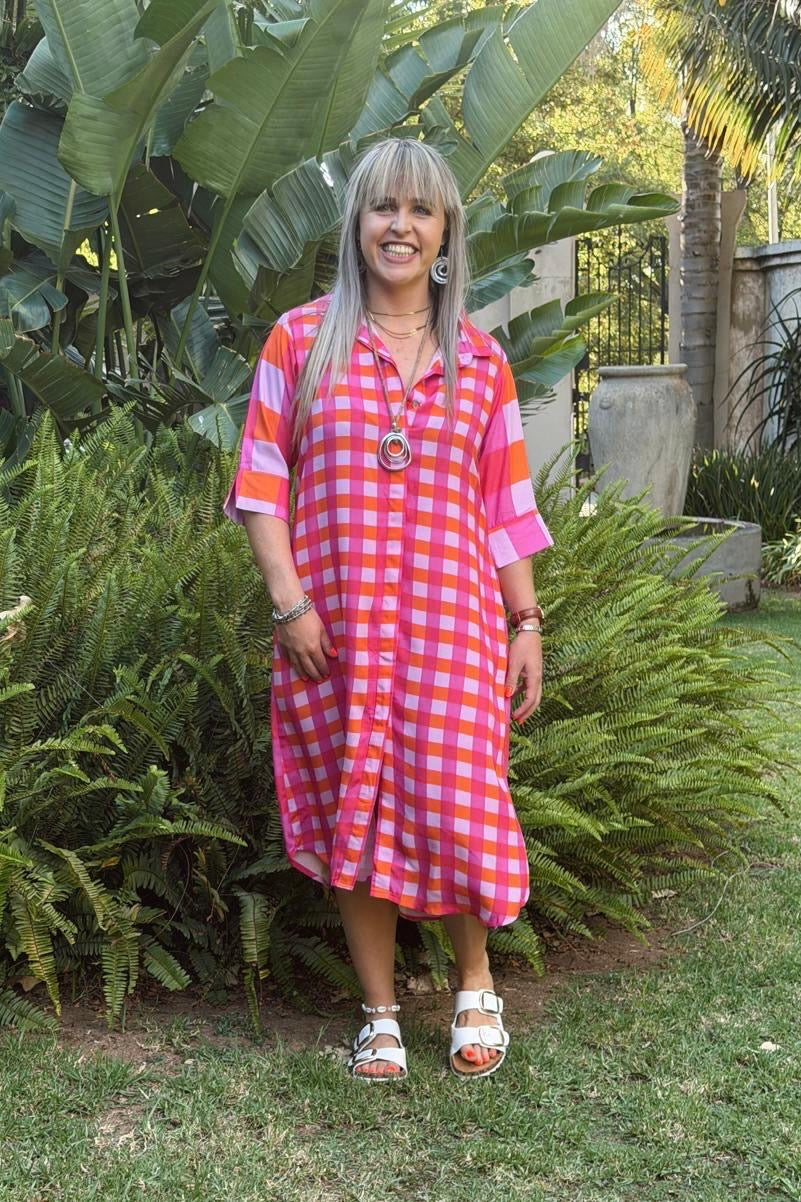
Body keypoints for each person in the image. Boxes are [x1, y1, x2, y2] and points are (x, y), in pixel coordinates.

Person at [223, 137, 553, 1082]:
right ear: (356, 224)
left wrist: (526, 624)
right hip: (335, 632)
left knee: (458, 801)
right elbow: (260, 484)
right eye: (383, 207)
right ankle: (378, 1015)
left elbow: (505, 508)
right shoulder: (300, 340)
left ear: (445, 232)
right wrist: (289, 605)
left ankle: (474, 984)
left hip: (453, 632)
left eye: (419, 210)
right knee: (353, 808)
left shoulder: (480, 361)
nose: (399, 226)